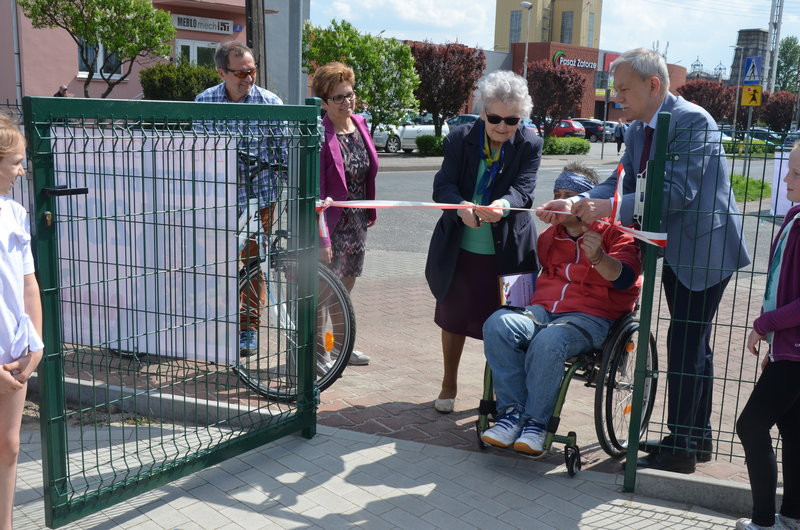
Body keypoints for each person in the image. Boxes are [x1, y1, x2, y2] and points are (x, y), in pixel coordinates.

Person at [537, 47, 750, 473]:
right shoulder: (637, 129)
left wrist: (608, 210)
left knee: (687, 343)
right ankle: (695, 437)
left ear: (654, 85)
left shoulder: (693, 121)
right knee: (692, 344)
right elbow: (621, 180)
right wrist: (576, 201)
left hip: (703, 251)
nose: (617, 98)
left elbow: (675, 193)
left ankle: (682, 445)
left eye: (624, 90)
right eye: (615, 90)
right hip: (666, 246)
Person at [481, 164, 642, 454]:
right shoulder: (549, 237)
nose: (562, 199)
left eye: (570, 195)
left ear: (587, 202)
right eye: (558, 193)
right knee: (497, 323)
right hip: (543, 310)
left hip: (591, 317)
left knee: (549, 340)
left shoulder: (616, 233)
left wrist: (598, 257)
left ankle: (536, 423)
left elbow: (626, 279)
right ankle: (511, 414)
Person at [425, 70, 542, 414]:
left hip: (511, 252)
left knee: (507, 325)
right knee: (453, 318)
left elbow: (524, 188)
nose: (503, 127)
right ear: (481, 112)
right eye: (494, 118)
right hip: (462, 248)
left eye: (512, 120)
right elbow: (442, 186)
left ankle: (496, 395)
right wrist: (460, 206)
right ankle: (449, 384)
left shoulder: (531, 143)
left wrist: (503, 205)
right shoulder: (459, 139)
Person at [195, 41, 285, 357]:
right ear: (222, 72)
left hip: (259, 200)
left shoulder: (270, 103)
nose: (248, 78)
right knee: (212, 264)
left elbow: (285, 153)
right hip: (217, 201)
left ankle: (248, 329)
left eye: (252, 71)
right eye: (241, 73)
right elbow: (196, 156)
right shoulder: (205, 102)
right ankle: (212, 323)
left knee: (252, 264)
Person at [734, 144, 800, 530]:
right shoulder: (794, 214)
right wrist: (774, 343)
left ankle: (763, 522)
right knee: (792, 428)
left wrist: (765, 325)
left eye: (795, 174)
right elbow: (780, 283)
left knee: (751, 425)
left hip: (796, 352)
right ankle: (791, 515)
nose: (787, 179)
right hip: (788, 350)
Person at [311, 62, 378, 366]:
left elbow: (367, 174)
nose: (346, 102)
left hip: (357, 222)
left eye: (349, 95)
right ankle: (317, 352)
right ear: (323, 102)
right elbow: (316, 191)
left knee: (346, 286)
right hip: (331, 225)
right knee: (323, 291)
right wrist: (322, 238)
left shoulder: (361, 124)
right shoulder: (320, 134)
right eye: (337, 98)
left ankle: (342, 348)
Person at [0, 112, 44, 528]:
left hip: (15, 352)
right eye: (15, 161)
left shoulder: (15, 212)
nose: (21, 169)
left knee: (10, 445)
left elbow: (29, 282)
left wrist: (37, 344)